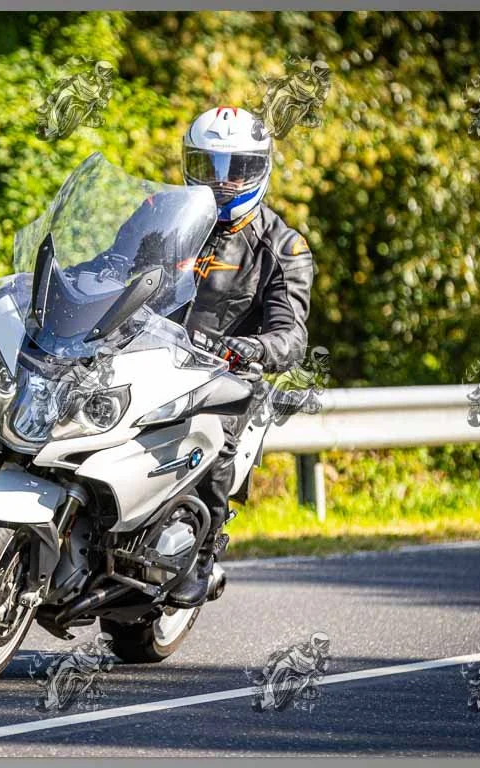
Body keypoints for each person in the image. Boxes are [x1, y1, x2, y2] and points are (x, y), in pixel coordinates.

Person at [169, 106, 315, 607]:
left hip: (224, 374)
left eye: (238, 168)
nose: (223, 181)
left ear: (261, 168)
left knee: (210, 444)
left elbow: (290, 334)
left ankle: (202, 553)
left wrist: (250, 347)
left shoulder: (283, 246)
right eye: (209, 166)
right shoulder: (164, 219)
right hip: (148, 357)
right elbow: (110, 267)